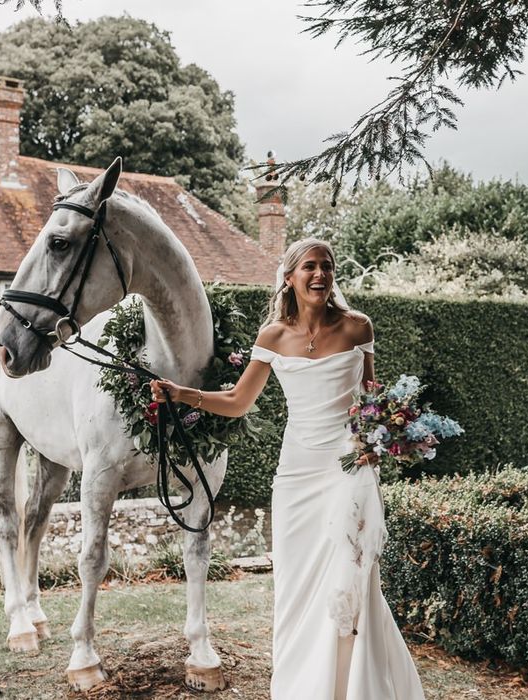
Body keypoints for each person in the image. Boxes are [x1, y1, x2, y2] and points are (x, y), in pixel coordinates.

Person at [150, 238, 426, 699]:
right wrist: (181, 394)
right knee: (297, 586)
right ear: (290, 277)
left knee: (349, 574)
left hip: (347, 469)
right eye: (310, 267)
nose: (320, 275)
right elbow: (239, 402)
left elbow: (372, 401)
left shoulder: (358, 327)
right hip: (296, 474)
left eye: (327, 267)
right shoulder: (273, 337)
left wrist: (379, 441)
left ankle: (353, 689)